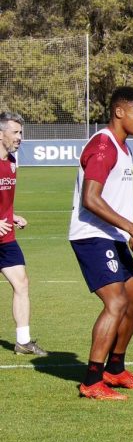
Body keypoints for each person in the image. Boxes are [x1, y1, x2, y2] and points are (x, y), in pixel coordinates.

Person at [69, 87, 133, 400]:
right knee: (117, 303)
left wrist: (130, 237)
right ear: (119, 112)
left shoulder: (123, 147)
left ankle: (115, 370)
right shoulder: (104, 146)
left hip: (113, 235)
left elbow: (114, 200)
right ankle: (92, 380)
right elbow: (90, 199)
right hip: (91, 235)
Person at [0, 112, 44, 356]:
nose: (20, 137)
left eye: (21, 133)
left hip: (6, 239)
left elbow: (3, 200)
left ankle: (23, 341)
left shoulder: (13, 161)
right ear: (1, 134)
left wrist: (12, 215)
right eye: (15, 132)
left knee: (21, 283)